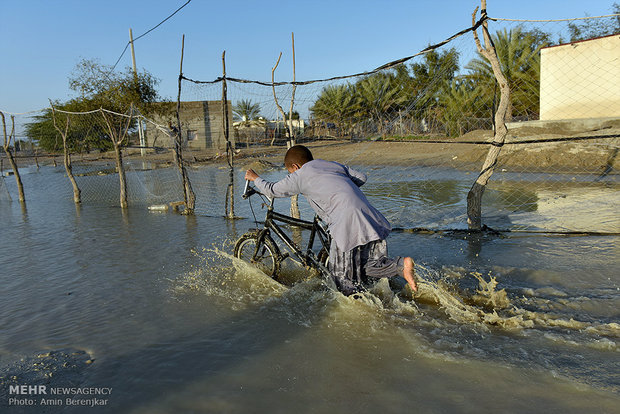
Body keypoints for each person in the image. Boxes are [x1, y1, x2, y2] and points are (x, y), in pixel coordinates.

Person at [245, 145, 417, 296]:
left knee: (341, 278)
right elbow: (362, 177)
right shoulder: (331, 165)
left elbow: (273, 190)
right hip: (368, 215)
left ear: (295, 167)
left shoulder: (301, 174)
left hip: (346, 222)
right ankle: (400, 265)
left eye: (290, 172)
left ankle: (357, 312)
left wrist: (255, 178)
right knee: (366, 267)